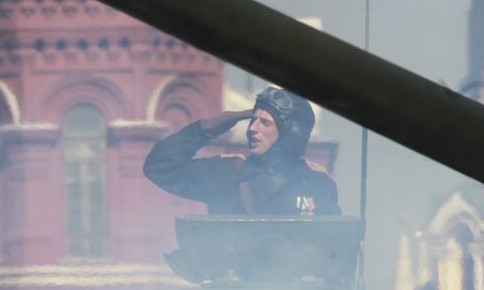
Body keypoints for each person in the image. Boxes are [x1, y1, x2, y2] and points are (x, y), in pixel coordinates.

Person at [143, 86, 340, 217]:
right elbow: (159, 167)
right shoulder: (226, 174)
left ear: (291, 134)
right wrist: (209, 127)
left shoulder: (317, 184)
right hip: (234, 280)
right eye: (253, 120)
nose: (252, 128)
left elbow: (336, 248)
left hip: (295, 280)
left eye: (265, 122)